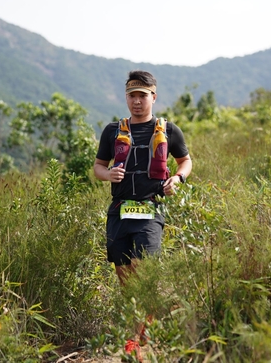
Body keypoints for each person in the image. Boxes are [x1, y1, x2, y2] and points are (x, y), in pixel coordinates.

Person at [93, 70, 192, 359]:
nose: (137, 101)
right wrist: (108, 174)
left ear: (153, 97)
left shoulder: (168, 130)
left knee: (142, 269)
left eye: (142, 96)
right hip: (119, 211)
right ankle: (145, 322)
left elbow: (185, 161)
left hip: (150, 209)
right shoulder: (112, 131)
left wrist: (177, 179)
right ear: (126, 97)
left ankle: (133, 342)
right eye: (132, 96)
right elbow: (98, 167)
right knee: (125, 277)